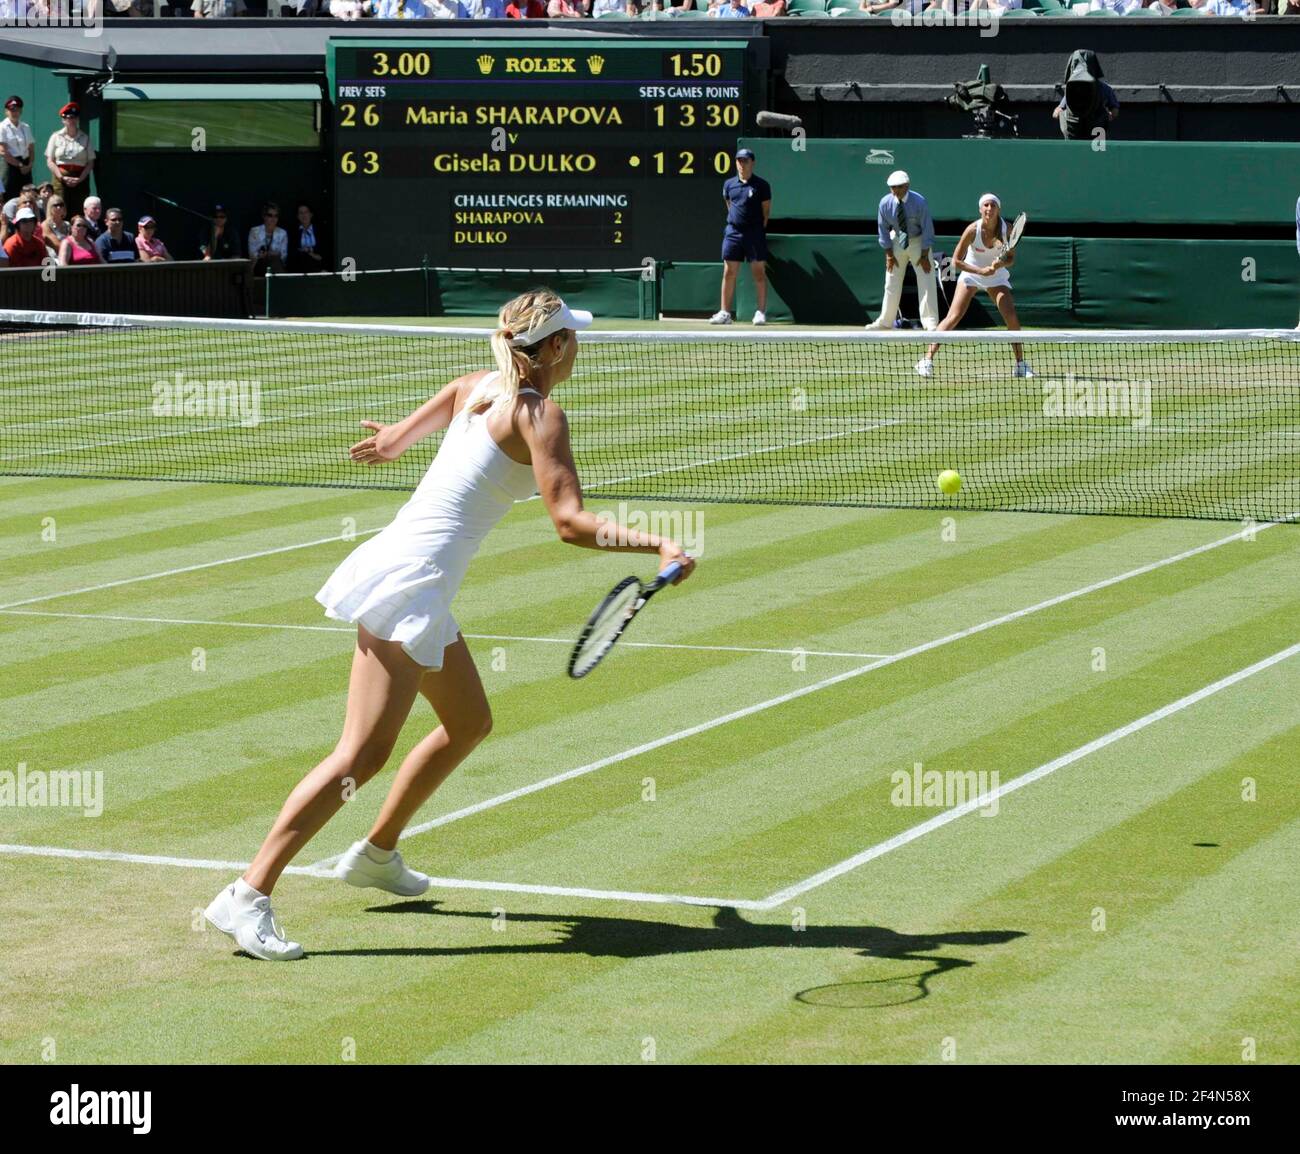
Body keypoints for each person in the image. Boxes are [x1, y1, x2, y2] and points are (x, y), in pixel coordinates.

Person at [202, 290, 696, 960]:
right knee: (360, 755)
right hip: (409, 582)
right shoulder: (541, 416)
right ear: (553, 349)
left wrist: (385, 443)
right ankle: (248, 894)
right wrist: (658, 545)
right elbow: (570, 524)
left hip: (414, 578)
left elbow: (395, 441)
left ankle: (376, 853)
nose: (578, 347)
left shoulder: (472, 387)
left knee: (468, 723)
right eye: (572, 338)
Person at [915, 193, 1032, 380]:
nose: (989, 209)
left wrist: (998, 265)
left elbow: (1010, 259)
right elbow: (955, 261)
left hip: (997, 277)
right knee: (953, 316)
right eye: (986, 205)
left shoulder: (1007, 229)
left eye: (993, 205)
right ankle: (926, 361)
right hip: (971, 274)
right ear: (980, 209)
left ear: (998, 209)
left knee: (1011, 317)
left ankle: (1020, 365)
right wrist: (980, 271)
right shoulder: (972, 230)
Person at [867, 169, 939, 331]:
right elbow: (883, 229)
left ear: (907, 186)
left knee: (926, 280)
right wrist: (889, 255)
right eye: (892, 187)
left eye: (899, 187)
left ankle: (930, 322)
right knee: (891, 281)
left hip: (918, 241)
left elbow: (927, 229)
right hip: (897, 240)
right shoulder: (885, 203)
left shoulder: (920, 202)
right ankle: (885, 322)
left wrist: (924, 254)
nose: (895, 190)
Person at [710, 148, 771, 326]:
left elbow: (766, 212)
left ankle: (760, 312)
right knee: (728, 272)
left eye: (745, 160)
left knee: (758, 272)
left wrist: (756, 228)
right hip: (733, 233)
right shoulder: (729, 184)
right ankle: (725, 313)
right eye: (738, 160)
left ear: (752, 162)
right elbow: (729, 205)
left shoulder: (762, 185)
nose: (741, 164)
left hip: (755, 233)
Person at [1053, 50, 1118, 141]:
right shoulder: (1104, 88)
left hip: (1081, 136)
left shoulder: (1072, 89)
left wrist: (1062, 116)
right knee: (1097, 153)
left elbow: (1056, 113)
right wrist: (1106, 117)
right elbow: (1114, 110)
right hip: (1093, 137)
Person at [45, 102, 94, 218]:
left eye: (74, 117)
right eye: (69, 118)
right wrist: (61, 177)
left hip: (80, 178)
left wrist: (80, 179)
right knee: (59, 207)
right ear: (63, 120)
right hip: (61, 178)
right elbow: (50, 161)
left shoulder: (85, 138)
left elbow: (91, 162)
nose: (72, 120)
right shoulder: (56, 136)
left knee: (79, 209)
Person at [0, 96, 35, 202]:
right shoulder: (2, 127)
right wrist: (20, 165)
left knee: (28, 196)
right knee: (10, 195)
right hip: (10, 165)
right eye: (12, 110)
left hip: (25, 164)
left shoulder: (25, 127)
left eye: (17, 110)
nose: (14, 113)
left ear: (21, 111)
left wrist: (29, 164)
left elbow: (31, 147)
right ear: (6, 111)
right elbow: (3, 151)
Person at [248, 202, 288, 274]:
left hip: (276, 266)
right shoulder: (254, 231)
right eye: (270, 215)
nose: (273, 218)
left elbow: (284, 257)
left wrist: (269, 254)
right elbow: (252, 255)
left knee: (275, 261)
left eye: (276, 216)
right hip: (259, 264)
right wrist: (263, 255)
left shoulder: (282, 233)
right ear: (264, 216)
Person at [287, 202, 325, 272]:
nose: (304, 215)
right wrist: (308, 253)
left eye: (306, 212)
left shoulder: (320, 230)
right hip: (300, 266)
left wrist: (309, 251)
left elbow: (323, 252)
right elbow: (292, 251)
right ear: (297, 216)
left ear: (311, 214)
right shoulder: (293, 232)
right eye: (301, 213)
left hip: (318, 263)